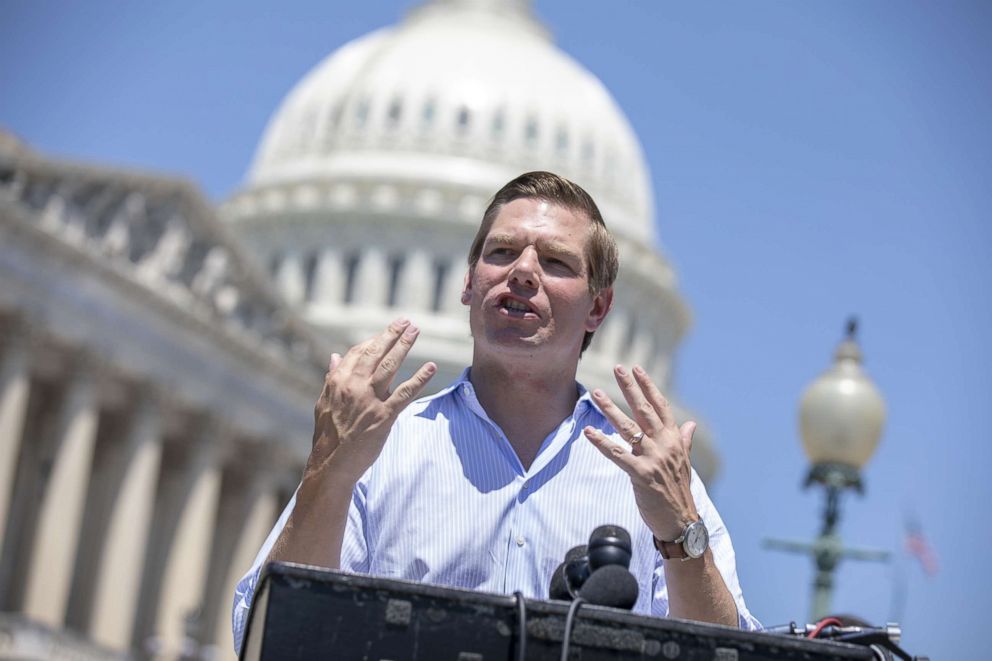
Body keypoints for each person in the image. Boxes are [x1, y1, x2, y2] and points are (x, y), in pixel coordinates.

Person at [232, 172, 760, 653]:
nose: (524, 271)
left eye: (555, 262)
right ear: (468, 283)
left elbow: (728, 654)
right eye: (503, 252)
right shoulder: (384, 450)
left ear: (598, 308)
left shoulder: (655, 482)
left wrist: (679, 535)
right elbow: (262, 639)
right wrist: (329, 473)